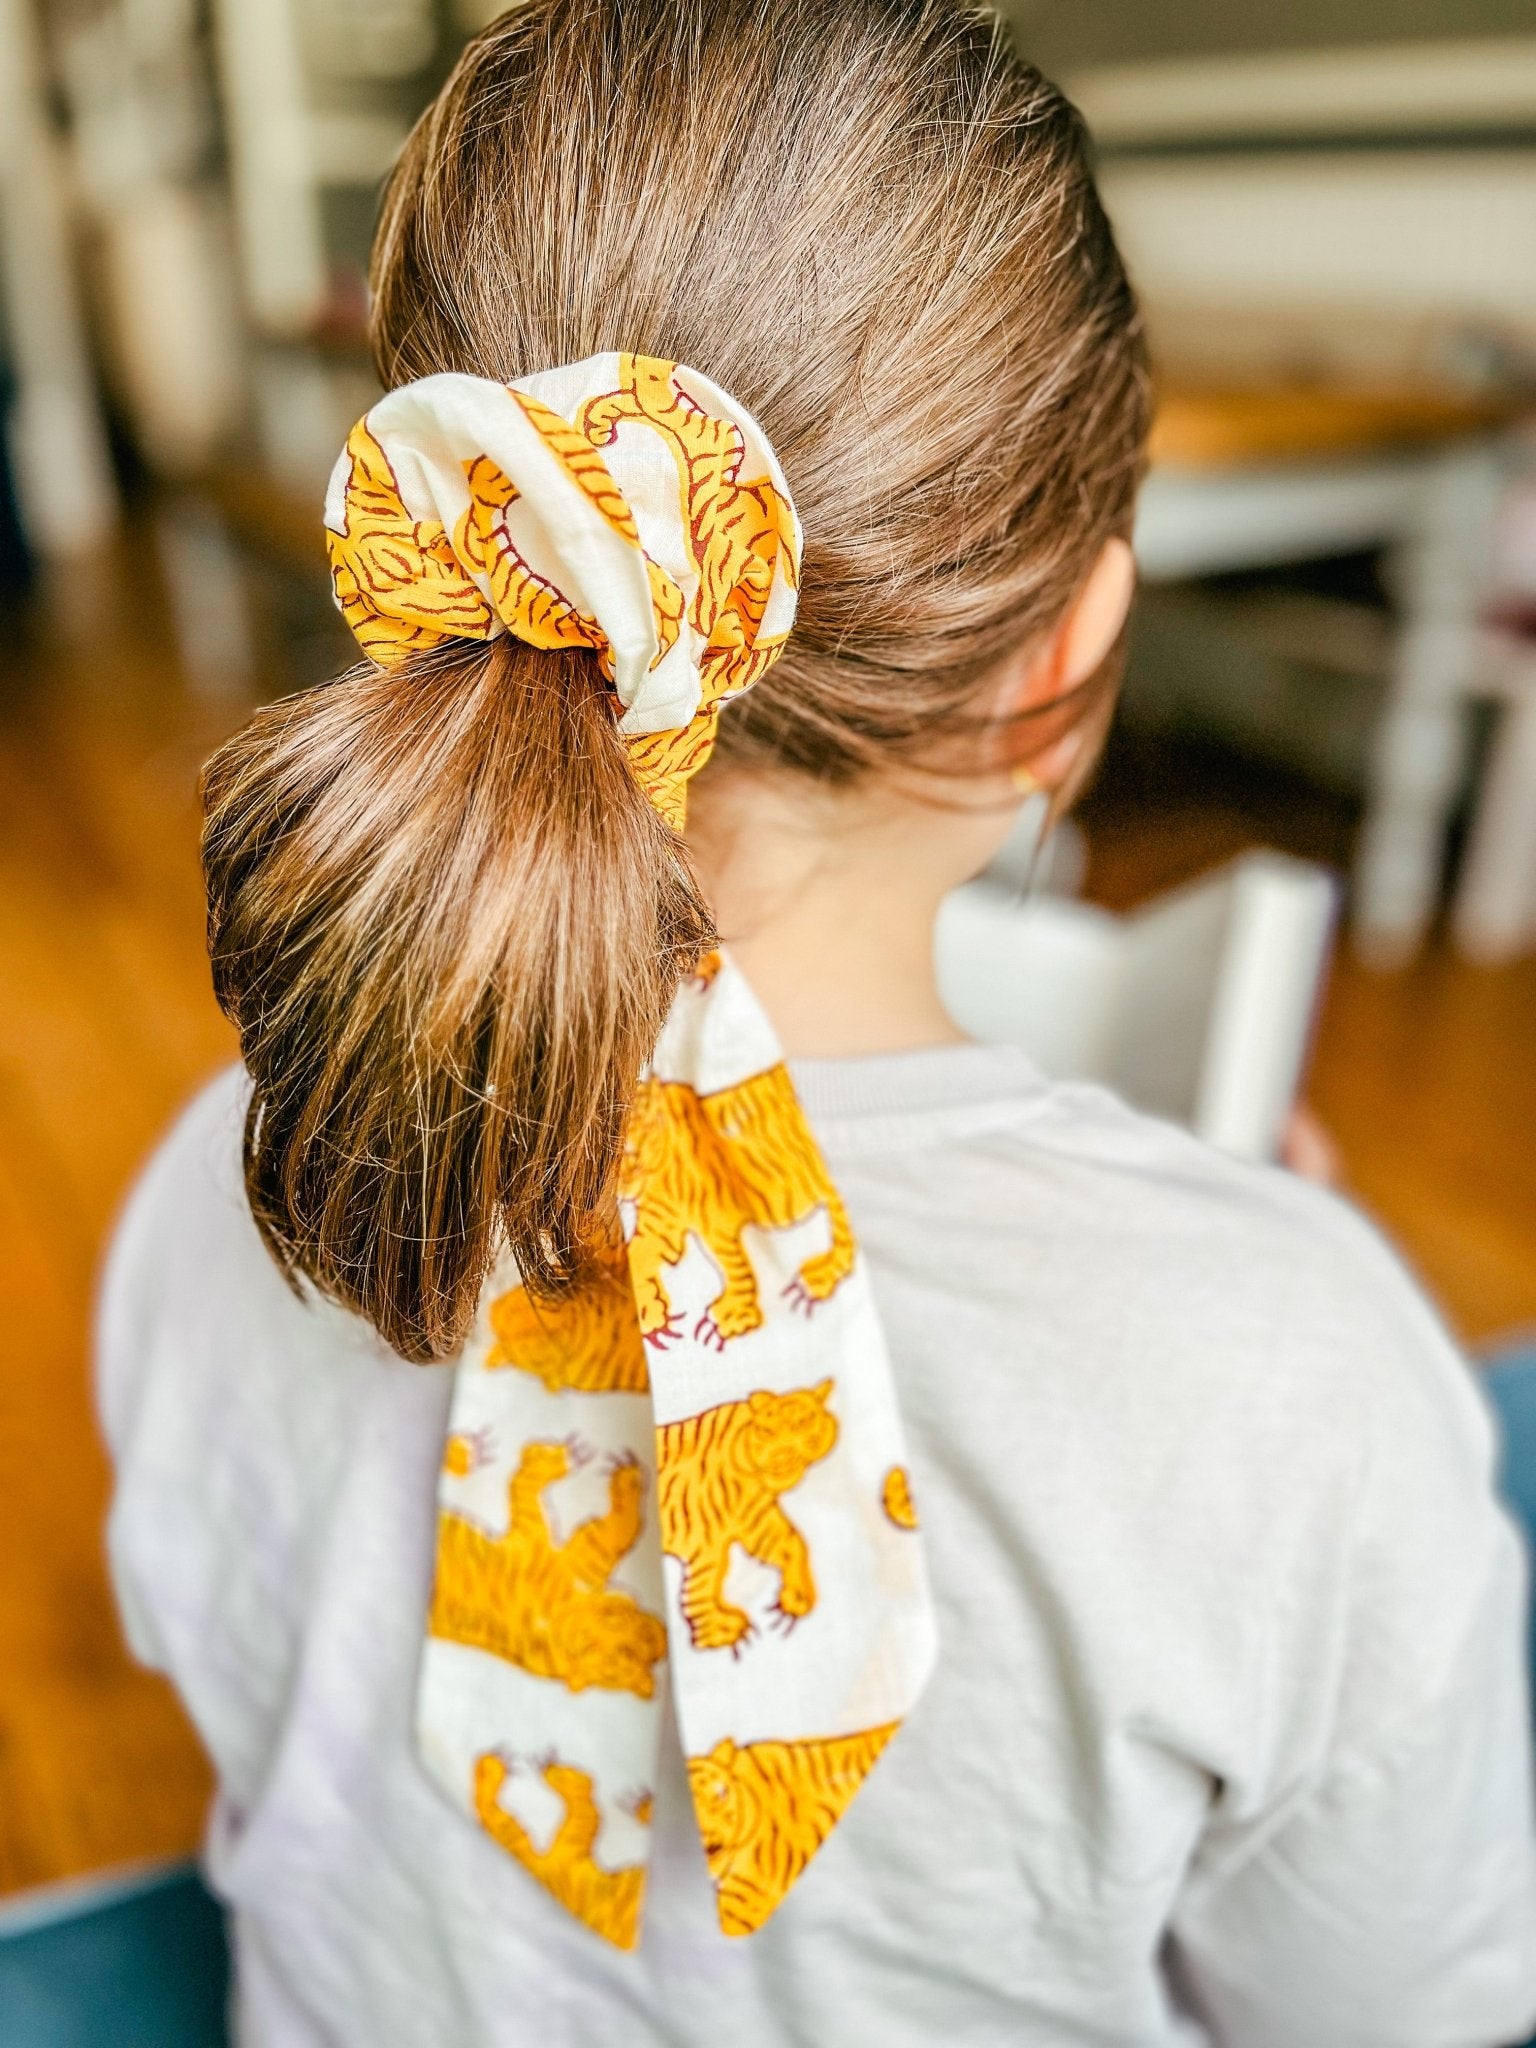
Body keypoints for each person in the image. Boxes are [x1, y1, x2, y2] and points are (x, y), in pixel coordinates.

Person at [96, 2, 1536, 2043]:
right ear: (1069, 660)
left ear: (452, 540)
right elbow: (1400, 2012)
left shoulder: (221, 1182)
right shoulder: (1309, 1404)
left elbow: (231, 1691)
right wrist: (1243, 1290)